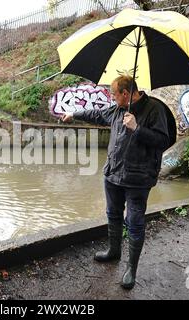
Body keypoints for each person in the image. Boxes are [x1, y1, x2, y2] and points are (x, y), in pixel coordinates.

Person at [60, 75, 170, 289]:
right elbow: (97, 114)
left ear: (126, 93)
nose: (112, 97)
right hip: (113, 174)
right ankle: (114, 251)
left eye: (114, 94)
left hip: (138, 179)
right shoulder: (118, 110)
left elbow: (162, 141)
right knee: (112, 214)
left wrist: (137, 128)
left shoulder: (155, 109)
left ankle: (131, 268)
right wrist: (73, 114)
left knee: (135, 222)